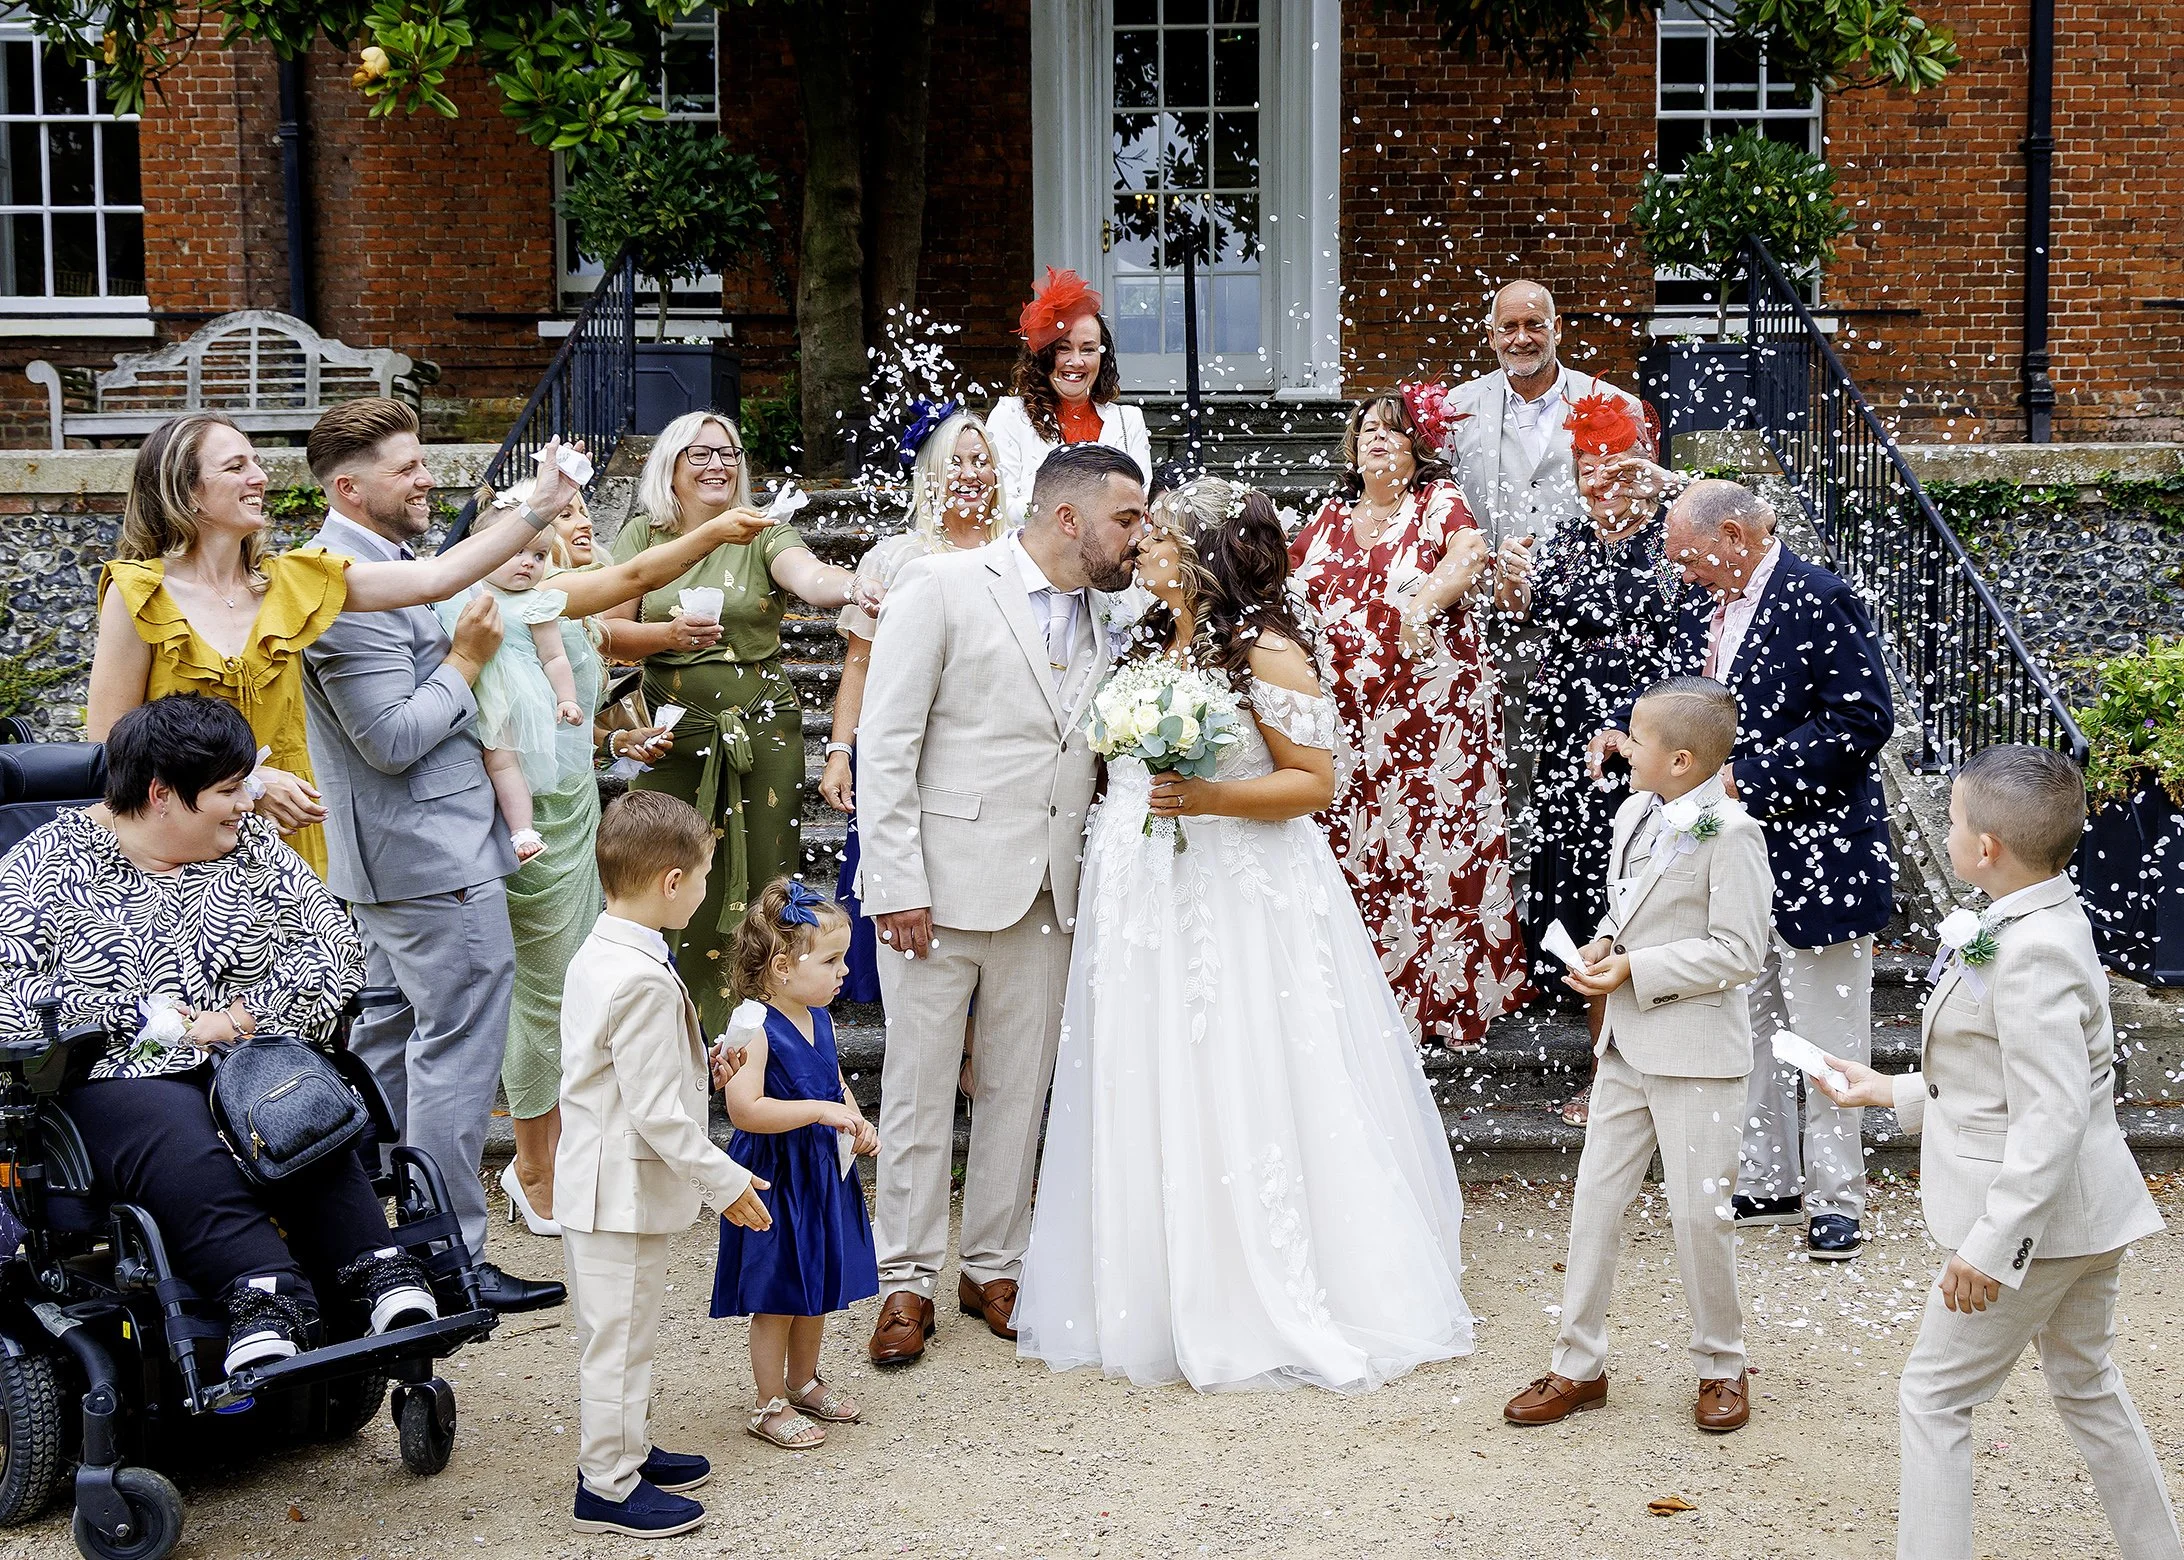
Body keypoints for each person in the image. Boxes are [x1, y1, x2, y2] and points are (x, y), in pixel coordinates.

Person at [1014, 479, 1475, 1393]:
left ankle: (1252, 1282)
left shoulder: (1262, 652)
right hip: (1144, 883)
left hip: (1234, 890)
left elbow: (1315, 782)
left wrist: (1214, 796)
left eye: (1159, 533)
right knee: (1152, 1064)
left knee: (1237, 1058)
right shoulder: (1150, 637)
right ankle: (1155, 1281)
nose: (1140, 543)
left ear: (1203, 552)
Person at [0, 694, 440, 1375]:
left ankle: (377, 1266)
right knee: (174, 1122)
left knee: (288, 1099)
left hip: (255, 1053)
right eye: (229, 791)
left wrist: (241, 1019)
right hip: (117, 1078)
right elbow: (12, 995)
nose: (247, 803)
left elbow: (334, 949)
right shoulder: (46, 867)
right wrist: (150, 1020)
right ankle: (262, 1294)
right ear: (162, 796)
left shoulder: (251, 849)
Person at [1811, 747, 2180, 1560]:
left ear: (1987, 850)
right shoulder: (2043, 915)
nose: (1946, 832)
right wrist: (1886, 1090)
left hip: (2037, 1225)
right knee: (2087, 1386)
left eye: (1951, 821)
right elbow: (2008, 1084)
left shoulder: (2032, 948)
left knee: (1934, 1397)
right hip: (2086, 1213)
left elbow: (2047, 1118)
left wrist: (1993, 1242)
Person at [854, 442, 1143, 1366]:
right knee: (916, 1091)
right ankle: (903, 1280)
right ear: (1069, 518)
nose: (1137, 538)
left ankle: (992, 1264)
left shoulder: (1112, 616)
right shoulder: (940, 586)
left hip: (1050, 890)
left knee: (1020, 1092)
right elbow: (886, 743)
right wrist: (896, 882)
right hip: (936, 890)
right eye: (1125, 520)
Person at [298, 397, 564, 1312]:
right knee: (455, 1052)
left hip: (402, 861)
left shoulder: (386, 561)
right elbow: (390, 739)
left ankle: (375, 1246)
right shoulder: (341, 586)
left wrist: (537, 508)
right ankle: (453, 1258)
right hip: (429, 863)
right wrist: (470, 659)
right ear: (350, 487)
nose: (427, 480)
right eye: (408, 468)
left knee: (384, 1048)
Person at [85, 410, 595, 876]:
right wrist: (251, 785)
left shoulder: (293, 582)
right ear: (188, 491)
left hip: (282, 848)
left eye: (257, 463)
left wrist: (542, 505)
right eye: (236, 467)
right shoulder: (139, 595)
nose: (260, 478)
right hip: (173, 853)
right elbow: (110, 753)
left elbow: (439, 576)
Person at [1593, 479, 1894, 1261]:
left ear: (1734, 535)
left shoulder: (1818, 595)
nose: (1683, 574)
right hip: (1729, 858)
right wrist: (1629, 731)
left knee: (1825, 1036)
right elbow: (1692, 706)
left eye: (1690, 558)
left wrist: (1741, 780)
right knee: (1748, 1025)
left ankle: (1836, 1198)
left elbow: (1865, 720)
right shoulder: (1709, 602)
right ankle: (1767, 1176)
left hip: (1817, 851)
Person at [479, 476, 766, 1238]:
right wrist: (710, 534)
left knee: (575, 978)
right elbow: (635, 581)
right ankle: (532, 1167)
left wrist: (617, 740)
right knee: (544, 990)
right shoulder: (486, 608)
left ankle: (560, 1154)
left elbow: (583, 681)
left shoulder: (552, 603)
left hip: (576, 803)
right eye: (550, 522)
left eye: (569, 521)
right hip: (527, 815)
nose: (561, 535)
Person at [1503, 677, 1772, 1435]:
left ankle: (1722, 1365)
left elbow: (1740, 951)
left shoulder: (1734, 832)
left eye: (1636, 737)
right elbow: (1631, 910)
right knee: (1594, 1206)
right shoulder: (1632, 812)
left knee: (1698, 1216)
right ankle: (1577, 1365)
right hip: (1622, 1047)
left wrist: (1636, 972)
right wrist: (1600, 946)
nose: (1623, 744)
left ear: (1681, 759)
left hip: (1698, 1057)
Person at [601, 410, 883, 1033]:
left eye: (728, 454)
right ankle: (677, 1026)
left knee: (765, 875)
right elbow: (608, 634)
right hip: (670, 736)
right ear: (669, 471)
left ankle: (762, 1030)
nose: (717, 465)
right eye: (699, 455)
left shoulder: (764, 532)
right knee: (663, 870)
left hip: (762, 731)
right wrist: (667, 634)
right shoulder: (643, 538)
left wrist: (853, 586)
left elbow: (807, 575)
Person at [1288, 387, 1533, 1049]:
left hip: (1431, 718)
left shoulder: (1435, 501)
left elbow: (1470, 554)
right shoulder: (1333, 512)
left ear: (1417, 447)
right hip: (1350, 719)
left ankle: (1439, 991)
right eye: (1369, 428)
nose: (1378, 439)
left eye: (1394, 432)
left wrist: (1420, 605)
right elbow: (1287, 582)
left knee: (1430, 843)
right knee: (1361, 840)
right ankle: (1368, 989)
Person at [558, 789, 771, 1539]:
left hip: (603, 1179)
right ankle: (607, 1487)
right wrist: (727, 1180)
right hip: (619, 1189)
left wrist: (699, 1062)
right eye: (706, 876)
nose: (709, 890)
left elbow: (626, 1072)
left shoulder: (609, 947)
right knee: (616, 1339)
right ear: (671, 882)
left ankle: (630, 1448)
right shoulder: (643, 977)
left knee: (626, 1330)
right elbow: (654, 1114)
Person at [1517, 392, 1696, 1123]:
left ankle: (1661, 1069)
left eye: (1614, 465)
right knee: (1594, 904)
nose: (1600, 479)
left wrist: (1633, 727)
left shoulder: (1674, 538)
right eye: (1587, 465)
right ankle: (1608, 1072)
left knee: (1649, 902)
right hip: (1572, 750)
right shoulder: (1559, 542)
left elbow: (1736, 528)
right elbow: (1547, 636)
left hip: (1657, 748)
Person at [1447, 282, 1647, 908]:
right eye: (1508, 327)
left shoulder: (1609, 401)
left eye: (1534, 324)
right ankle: (1508, 904)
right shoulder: (1458, 409)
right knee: (1496, 759)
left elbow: (1640, 497)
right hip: (1485, 614)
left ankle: (1574, 899)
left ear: (1557, 328)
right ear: (1490, 334)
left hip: (1585, 620)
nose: (1521, 338)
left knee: (1570, 767)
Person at [821, 403, 1006, 1014]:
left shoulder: (1019, 554)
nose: (970, 473)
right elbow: (859, 664)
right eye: (955, 460)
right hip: (904, 750)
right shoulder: (894, 558)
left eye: (981, 460)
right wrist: (841, 750)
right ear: (929, 471)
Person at [712, 879, 879, 1449]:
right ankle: (768, 1402)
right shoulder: (752, 1027)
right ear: (782, 967)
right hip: (776, 1178)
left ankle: (804, 1379)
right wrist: (820, 1112)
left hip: (820, 1175)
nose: (844, 972)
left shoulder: (821, 1019)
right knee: (779, 1292)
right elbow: (745, 1110)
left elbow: (833, 1084)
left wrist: (857, 1123)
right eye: (831, 960)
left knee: (816, 1284)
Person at [435, 518, 586, 864]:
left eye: (538, 555)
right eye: (516, 551)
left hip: (512, 698)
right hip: (460, 691)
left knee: (503, 762)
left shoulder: (536, 603)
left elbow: (554, 657)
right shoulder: (460, 590)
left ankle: (522, 831)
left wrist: (567, 698)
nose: (528, 563)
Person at [985, 267, 1154, 528]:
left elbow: (1140, 511)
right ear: (1043, 356)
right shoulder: (1010, 416)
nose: (1076, 361)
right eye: (1063, 349)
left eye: (1088, 349)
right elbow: (999, 509)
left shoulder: (1128, 420)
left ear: (1102, 357)